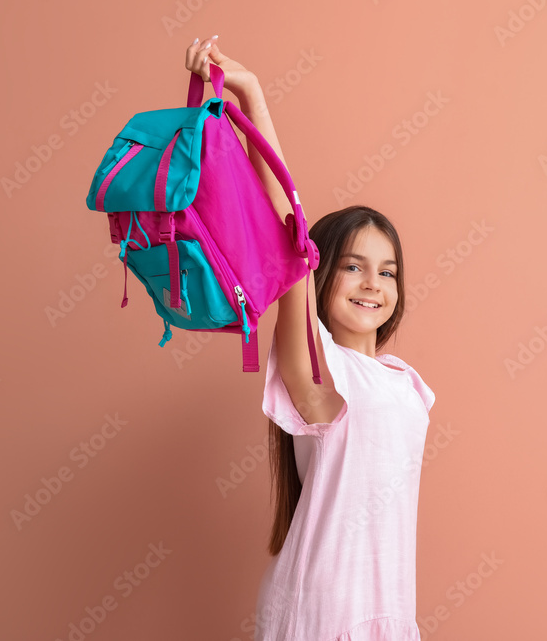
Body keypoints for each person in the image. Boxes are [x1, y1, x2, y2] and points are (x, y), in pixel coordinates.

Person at [186, 37, 436, 641]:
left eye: (387, 270)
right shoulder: (324, 375)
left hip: (388, 614)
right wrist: (255, 102)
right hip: (323, 615)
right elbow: (285, 238)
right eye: (352, 266)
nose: (372, 283)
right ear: (319, 278)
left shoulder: (408, 384)